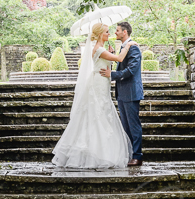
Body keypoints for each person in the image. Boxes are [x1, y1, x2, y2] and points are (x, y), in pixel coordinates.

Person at [51, 22, 134, 169]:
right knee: (98, 113)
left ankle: (102, 151)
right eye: (107, 32)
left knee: (103, 112)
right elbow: (120, 59)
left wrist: (111, 54)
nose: (110, 34)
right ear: (100, 34)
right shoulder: (98, 49)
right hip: (98, 84)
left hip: (103, 82)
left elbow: (108, 64)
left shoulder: (101, 49)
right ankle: (93, 153)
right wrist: (128, 45)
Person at [100, 21, 144, 166]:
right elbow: (122, 64)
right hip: (123, 93)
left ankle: (137, 156)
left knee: (133, 125)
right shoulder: (124, 47)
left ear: (125, 32)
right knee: (126, 127)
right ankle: (130, 154)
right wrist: (112, 55)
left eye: (117, 30)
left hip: (131, 93)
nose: (115, 32)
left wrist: (111, 74)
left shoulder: (134, 48)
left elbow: (131, 71)